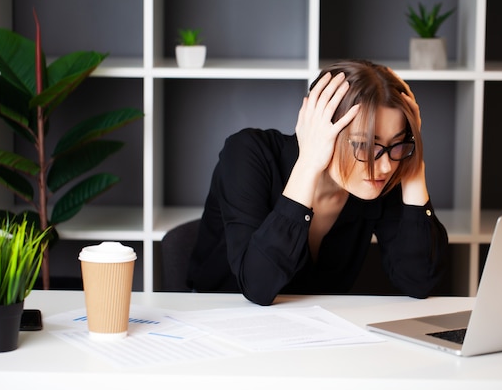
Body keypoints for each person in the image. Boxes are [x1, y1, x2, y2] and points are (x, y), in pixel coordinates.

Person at [187, 59, 449, 306]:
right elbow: (258, 287)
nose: (384, 166)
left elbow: (419, 282)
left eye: (398, 144)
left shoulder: (383, 170)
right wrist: (309, 164)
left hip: (316, 335)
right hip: (219, 320)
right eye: (364, 145)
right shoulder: (248, 153)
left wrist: (414, 166)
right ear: (321, 129)